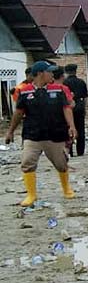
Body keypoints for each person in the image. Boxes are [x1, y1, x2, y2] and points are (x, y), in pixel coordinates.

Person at [3, 61, 77, 207]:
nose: (52, 74)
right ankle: (31, 195)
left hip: (54, 134)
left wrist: (72, 126)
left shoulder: (58, 89)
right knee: (27, 162)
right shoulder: (24, 91)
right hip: (32, 134)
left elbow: (66, 108)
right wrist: (10, 132)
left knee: (61, 164)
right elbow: (18, 113)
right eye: (49, 72)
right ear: (40, 73)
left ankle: (66, 188)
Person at [63, 64, 88, 156]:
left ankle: (70, 151)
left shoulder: (65, 83)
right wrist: (84, 108)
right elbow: (85, 97)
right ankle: (80, 151)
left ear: (66, 72)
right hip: (80, 106)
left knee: (69, 128)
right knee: (81, 129)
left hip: (69, 107)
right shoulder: (81, 82)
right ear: (75, 71)